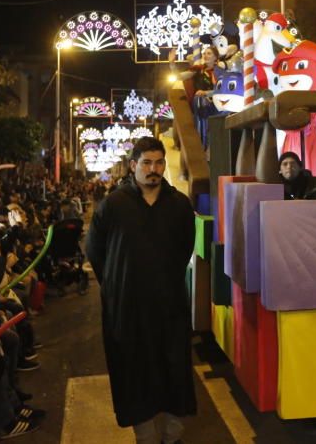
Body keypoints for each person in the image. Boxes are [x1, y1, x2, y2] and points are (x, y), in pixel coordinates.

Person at [85, 137, 195, 443]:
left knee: (173, 368)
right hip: (127, 309)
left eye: (159, 162)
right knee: (134, 372)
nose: (154, 169)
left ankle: (172, 437)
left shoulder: (178, 205)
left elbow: (185, 247)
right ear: (133, 166)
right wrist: (118, 284)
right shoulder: (114, 205)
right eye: (146, 162)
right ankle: (145, 437)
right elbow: (95, 251)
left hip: (169, 305)